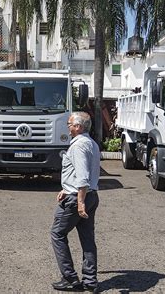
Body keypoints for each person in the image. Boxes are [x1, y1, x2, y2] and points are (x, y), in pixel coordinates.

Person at [51, 112, 100, 293]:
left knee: (57, 234)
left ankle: (70, 278)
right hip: (91, 195)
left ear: (78, 127)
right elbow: (84, 172)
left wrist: (80, 202)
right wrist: (66, 187)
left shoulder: (78, 146)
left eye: (70, 124)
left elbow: (82, 177)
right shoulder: (92, 144)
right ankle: (90, 281)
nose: (68, 126)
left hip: (78, 199)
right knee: (88, 239)